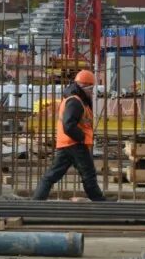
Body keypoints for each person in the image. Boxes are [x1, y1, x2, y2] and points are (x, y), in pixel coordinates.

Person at [32, 70, 105, 202]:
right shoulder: (75, 102)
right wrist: (82, 137)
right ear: (85, 87)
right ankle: (100, 202)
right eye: (91, 89)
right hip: (75, 144)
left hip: (68, 144)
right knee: (88, 174)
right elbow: (68, 125)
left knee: (52, 175)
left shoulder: (76, 100)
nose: (92, 92)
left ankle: (37, 201)